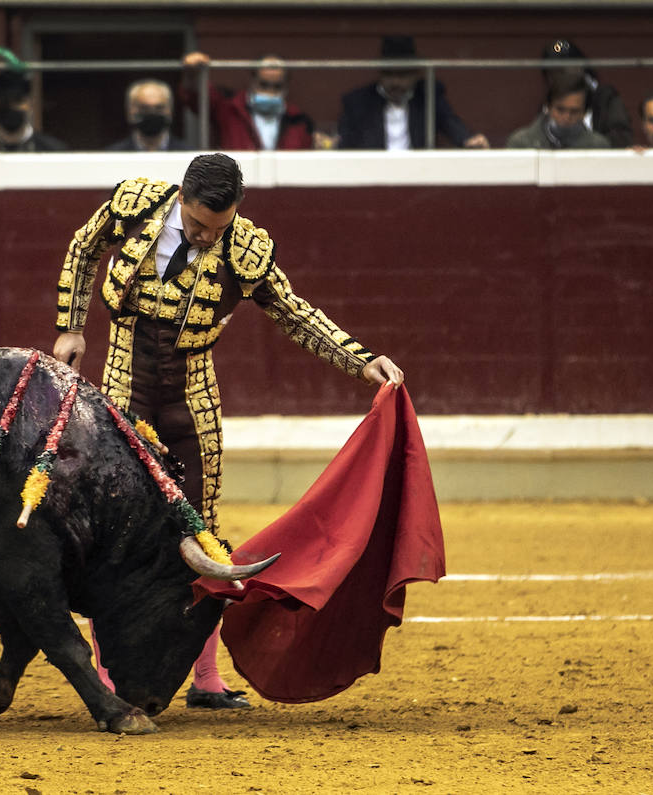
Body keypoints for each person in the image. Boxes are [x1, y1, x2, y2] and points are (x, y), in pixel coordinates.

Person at [53, 153, 403, 709]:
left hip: (192, 398)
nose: (203, 238)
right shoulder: (137, 204)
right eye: (195, 226)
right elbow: (83, 247)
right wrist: (71, 326)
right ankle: (110, 676)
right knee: (117, 534)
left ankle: (206, 679)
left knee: (203, 531)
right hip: (122, 386)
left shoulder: (245, 250)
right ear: (180, 199)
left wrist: (360, 361)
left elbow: (294, 312)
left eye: (217, 229)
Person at [338, 35, 489, 150]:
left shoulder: (428, 96)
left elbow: (449, 121)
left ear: (416, 75)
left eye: (403, 75)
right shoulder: (359, 101)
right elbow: (345, 139)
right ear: (380, 74)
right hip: (373, 174)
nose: (396, 82)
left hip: (417, 173)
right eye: (389, 74)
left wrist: (467, 140)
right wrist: (333, 144)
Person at [180, 53, 330, 150]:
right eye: (264, 85)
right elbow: (194, 96)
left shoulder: (299, 120)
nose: (270, 92)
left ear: (286, 87)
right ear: (252, 81)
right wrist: (193, 73)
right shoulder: (228, 108)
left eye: (276, 87)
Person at [540, 38, 631, 148]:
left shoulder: (605, 99)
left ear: (580, 67)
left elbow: (620, 139)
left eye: (563, 69)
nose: (559, 76)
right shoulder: (548, 104)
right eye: (553, 72)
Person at [0, 69, 67, 153]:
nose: (11, 107)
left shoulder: (52, 151)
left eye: (17, 101)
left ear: (29, 104)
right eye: (5, 101)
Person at [505, 72, 611, 150]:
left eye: (574, 111)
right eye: (560, 110)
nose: (566, 117)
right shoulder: (521, 143)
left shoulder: (598, 147)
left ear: (584, 113)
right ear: (548, 107)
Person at [105, 78, 193, 152]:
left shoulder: (187, 154)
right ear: (130, 111)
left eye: (159, 108)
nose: (152, 113)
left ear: (170, 111)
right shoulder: (112, 155)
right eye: (144, 108)